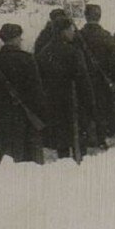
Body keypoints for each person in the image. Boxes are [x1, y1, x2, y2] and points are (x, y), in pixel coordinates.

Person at [0, 24, 47, 164]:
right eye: (19, 37)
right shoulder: (27, 59)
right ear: (15, 38)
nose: (21, 40)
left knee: (3, 157)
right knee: (27, 158)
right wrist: (40, 113)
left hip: (1, 115)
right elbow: (36, 90)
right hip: (25, 115)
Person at [37, 17, 96, 159]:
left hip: (54, 104)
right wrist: (90, 104)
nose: (73, 33)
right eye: (71, 30)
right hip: (73, 104)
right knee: (78, 141)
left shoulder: (44, 53)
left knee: (61, 142)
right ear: (63, 31)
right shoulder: (74, 52)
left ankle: (64, 164)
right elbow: (84, 82)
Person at [78, 4, 115, 145]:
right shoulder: (106, 36)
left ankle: (86, 137)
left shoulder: (78, 36)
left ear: (85, 16)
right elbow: (114, 64)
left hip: (82, 81)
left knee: (84, 109)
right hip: (102, 82)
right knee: (101, 108)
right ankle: (101, 137)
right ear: (99, 17)